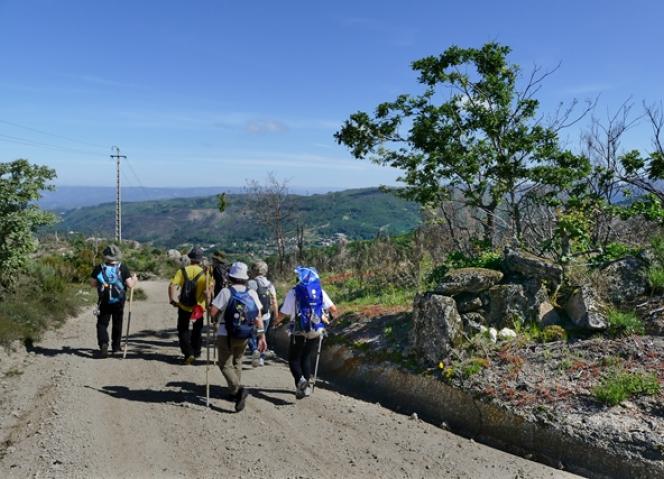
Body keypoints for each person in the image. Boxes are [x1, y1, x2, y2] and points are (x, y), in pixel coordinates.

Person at [209, 262, 267, 412]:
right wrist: (262, 337)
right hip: (245, 334)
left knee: (224, 364)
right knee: (237, 361)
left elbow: (213, 312)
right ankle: (233, 393)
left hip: (225, 333)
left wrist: (210, 309)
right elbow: (258, 317)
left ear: (231, 277)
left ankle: (238, 390)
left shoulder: (225, 292)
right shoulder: (252, 293)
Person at [278, 266, 337, 399]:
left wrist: (275, 322)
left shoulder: (293, 292)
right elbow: (333, 309)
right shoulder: (319, 290)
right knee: (306, 357)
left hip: (299, 329)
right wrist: (328, 319)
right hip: (316, 328)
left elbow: (283, 313)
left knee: (293, 359)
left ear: (299, 278)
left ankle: (301, 381)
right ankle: (305, 388)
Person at [90, 245, 137, 358]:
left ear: (105, 256)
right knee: (117, 322)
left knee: (102, 323)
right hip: (119, 301)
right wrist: (135, 279)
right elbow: (130, 285)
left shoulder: (99, 268)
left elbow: (92, 283)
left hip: (104, 300)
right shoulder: (123, 267)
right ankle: (116, 347)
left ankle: (103, 343)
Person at [168, 246, 208, 365]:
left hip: (184, 305)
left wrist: (172, 300)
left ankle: (188, 353)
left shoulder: (182, 271)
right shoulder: (204, 273)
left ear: (190, 258)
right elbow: (208, 291)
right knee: (197, 329)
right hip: (199, 307)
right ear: (200, 260)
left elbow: (172, 286)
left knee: (183, 329)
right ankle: (196, 351)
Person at [247, 260, 278, 367]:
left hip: (253, 314)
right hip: (266, 315)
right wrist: (276, 315)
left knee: (251, 334)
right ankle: (261, 358)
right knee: (262, 335)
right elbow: (274, 300)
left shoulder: (251, 283)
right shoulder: (270, 284)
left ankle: (254, 350)